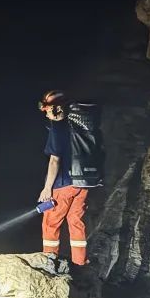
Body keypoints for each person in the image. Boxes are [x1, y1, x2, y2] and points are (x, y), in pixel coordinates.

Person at [37, 90, 88, 268]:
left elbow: (54, 161)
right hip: (83, 183)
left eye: (47, 109)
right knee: (76, 222)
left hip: (62, 185)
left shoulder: (57, 128)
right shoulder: (79, 124)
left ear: (57, 109)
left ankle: (49, 263)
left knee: (51, 223)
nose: (46, 113)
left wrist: (47, 188)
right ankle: (80, 263)